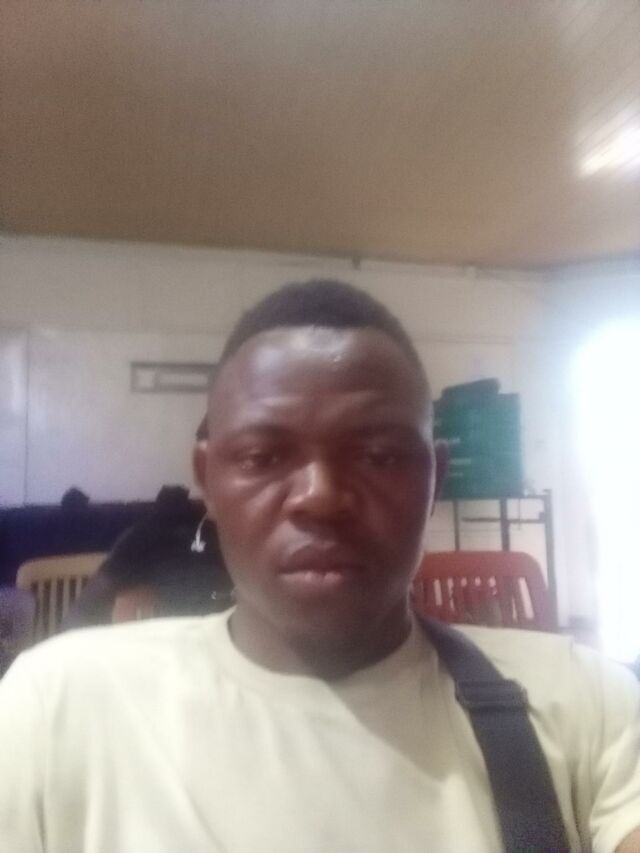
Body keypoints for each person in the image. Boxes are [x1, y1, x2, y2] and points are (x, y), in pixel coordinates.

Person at [0, 279, 639, 852]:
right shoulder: (58, 706)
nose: (322, 496)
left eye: (380, 456)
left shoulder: (582, 703)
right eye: (262, 457)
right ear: (208, 482)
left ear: (434, 479)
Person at [63, 485, 233, 629]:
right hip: (197, 631)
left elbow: (90, 601)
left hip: (197, 630)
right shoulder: (147, 536)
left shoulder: (144, 535)